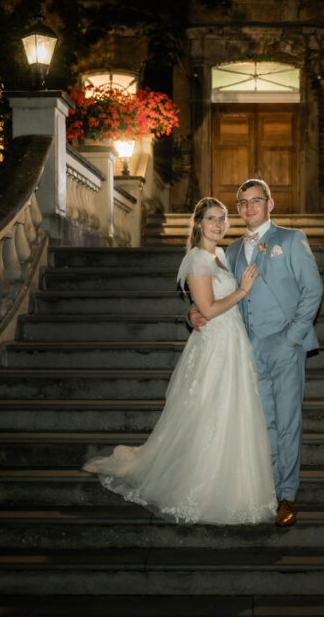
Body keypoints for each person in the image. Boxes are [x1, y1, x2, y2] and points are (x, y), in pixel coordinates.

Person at [83, 197, 277, 525]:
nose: (218, 225)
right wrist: (242, 291)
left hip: (233, 343)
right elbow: (210, 309)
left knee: (232, 413)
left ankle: (234, 485)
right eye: (212, 219)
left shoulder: (220, 255)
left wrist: (201, 310)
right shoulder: (198, 259)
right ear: (199, 224)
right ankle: (200, 485)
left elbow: (205, 307)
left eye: (223, 219)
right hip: (214, 346)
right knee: (206, 413)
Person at [190, 179, 324, 527]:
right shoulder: (230, 251)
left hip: (284, 346)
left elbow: (313, 290)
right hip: (246, 351)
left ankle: (287, 495)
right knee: (263, 423)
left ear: (270, 204)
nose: (249, 207)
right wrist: (195, 313)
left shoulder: (291, 240)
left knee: (288, 422)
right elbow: (211, 295)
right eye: (243, 202)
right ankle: (268, 488)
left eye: (256, 200)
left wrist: (292, 338)